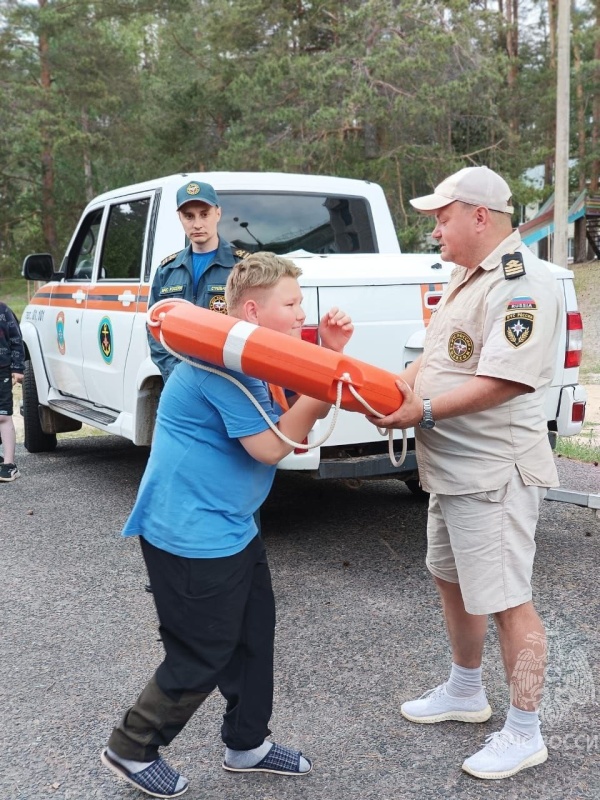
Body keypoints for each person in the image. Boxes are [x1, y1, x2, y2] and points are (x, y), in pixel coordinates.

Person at [101, 252, 353, 799]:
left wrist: (327, 358)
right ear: (255, 310)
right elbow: (268, 448)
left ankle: (247, 743)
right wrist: (323, 388)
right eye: (291, 303)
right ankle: (133, 746)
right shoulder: (220, 369)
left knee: (253, 635)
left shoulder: (253, 357)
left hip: (233, 526)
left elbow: (289, 410)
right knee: (203, 650)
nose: (299, 312)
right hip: (189, 535)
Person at [369, 166, 562, 780]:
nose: (434, 231)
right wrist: (398, 387)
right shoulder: (464, 277)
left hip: (492, 472)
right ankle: (465, 690)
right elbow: (436, 357)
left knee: (508, 602)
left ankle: (526, 731)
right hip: (450, 468)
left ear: (480, 216)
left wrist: (420, 408)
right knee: (451, 580)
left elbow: (508, 378)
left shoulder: (521, 282)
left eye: (441, 217)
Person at [148, 179, 250, 382]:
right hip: (180, 382)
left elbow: (255, 326)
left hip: (231, 380)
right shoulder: (167, 271)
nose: (197, 224)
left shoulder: (243, 267)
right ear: (180, 218)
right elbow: (154, 328)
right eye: (189, 216)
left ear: (218, 213)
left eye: (204, 214)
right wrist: (174, 373)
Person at [0, 301, 25, 482]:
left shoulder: (4, 311)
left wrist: (17, 368)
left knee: (2, 416)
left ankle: (9, 465)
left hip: (2, 369)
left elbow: (16, 340)